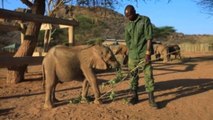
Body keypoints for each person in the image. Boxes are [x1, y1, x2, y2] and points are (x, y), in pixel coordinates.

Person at [124, 5, 158, 108]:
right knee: (133, 76)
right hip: (133, 55)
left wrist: (148, 53)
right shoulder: (128, 26)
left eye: (130, 15)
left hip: (144, 54)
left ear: (134, 11)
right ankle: (135, 96)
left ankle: (151, 99)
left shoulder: (144, 20)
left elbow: (149, 37)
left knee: (148, 76)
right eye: (127, 16)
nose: (129, 17)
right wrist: (129, 53)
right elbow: (128, 40)